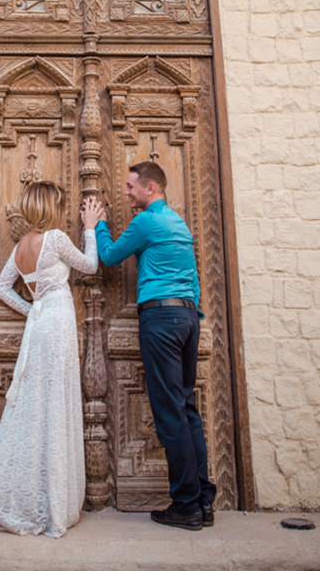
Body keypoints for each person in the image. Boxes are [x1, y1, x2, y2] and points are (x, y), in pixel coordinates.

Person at [82, 161, 216, 531]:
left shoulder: (145, 221)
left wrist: (97, 226)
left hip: (161, 319)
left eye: (131, 186)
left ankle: (185, 506)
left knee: (170, 414)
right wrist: (190, 315)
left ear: (150, 189)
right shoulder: (179, 223)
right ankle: (203, 501)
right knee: (186, 410)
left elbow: (109, 256)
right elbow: (193, 278)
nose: (127, 192)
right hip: (187, 318)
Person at [0, 180, 98, 538]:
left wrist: (32, 310)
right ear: (51, 208)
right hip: (57, 323)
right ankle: (54, 500)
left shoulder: (21, 246)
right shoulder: (55, 239)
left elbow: (2, 289)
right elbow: (89, 266)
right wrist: (90, 229)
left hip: (39, 323)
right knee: (55, 402)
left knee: (35, 401)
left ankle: (34, 494)